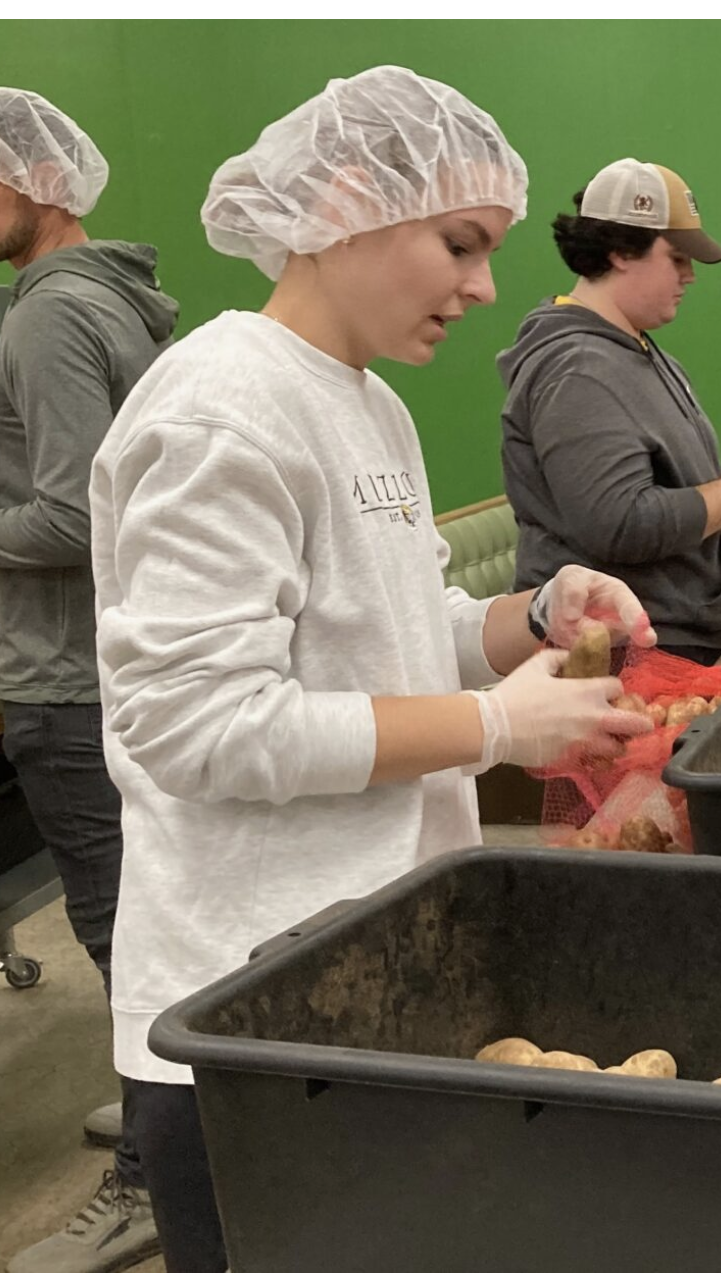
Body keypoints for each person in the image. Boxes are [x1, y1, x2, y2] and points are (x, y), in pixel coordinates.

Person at [90, 67, 653, 1272]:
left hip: (381, 969)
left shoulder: (367, 405)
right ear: (347, 198)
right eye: (459, 242)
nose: (483, 285)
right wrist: (494, 728)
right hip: (248, 1023)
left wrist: (533, 614)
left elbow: (401, 628)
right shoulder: (218, 411)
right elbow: (195, 724)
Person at [0, 88, 170, 1274]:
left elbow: (70, 513)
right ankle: (162, 1104)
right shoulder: (118, 297)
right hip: (115, 661)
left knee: (120, 931)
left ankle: (152, 1172)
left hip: (66, 673)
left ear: (32, 183)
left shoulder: (47, 318)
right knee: (144, 920)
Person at [499, 158, 721, 666]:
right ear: (622, 251)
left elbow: (670, 494)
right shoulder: (580, 368)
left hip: (673, 641)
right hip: (626, 657)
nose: (690, 276)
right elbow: (621, 522)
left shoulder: (639, 351)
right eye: (677, 258)